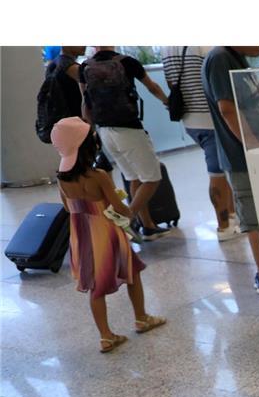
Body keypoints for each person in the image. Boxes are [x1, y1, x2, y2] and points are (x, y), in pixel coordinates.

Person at [50, 117, 165, 353]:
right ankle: (142, 318)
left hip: (82, 237)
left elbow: (66, 208)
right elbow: (119, 208)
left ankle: (105, 336)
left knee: (95, 286)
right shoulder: (98, 176)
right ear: (87, 146)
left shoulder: (62, 179)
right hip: (107, 232)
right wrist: (128, 209)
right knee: (131, 272)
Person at [201, 46, 259, 296]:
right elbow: (227, 108)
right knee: (254, 219)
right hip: (242, 158)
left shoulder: (237, 57)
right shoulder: (220, 59)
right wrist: (253, 148)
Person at [79, 46, 170, 240]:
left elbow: (85, 102)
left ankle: (148, 227)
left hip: (104, 131)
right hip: (129, 129)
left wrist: (91, 129)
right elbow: (152, 86)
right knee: (152, 178)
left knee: (134, 178)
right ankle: (125, 216)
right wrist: (167, 101)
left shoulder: (85, 66)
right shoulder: (128, 62)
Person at [160, 46, 239, 242]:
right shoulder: (206, 47)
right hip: (211, 118)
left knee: (221, 168)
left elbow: (172, 82)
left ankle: (231, 215)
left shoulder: (167, 49)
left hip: (189, 119)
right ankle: (224, 227)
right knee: (217, 173)